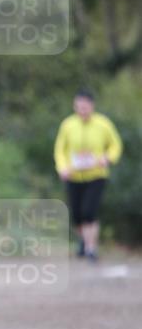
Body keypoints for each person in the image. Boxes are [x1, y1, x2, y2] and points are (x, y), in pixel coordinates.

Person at [53, 89, 123, 261]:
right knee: (77, 214)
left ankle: (91, 248)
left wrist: (108, 158)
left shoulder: (103, 124)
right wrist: (62, 168)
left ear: (92, 106)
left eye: (85, 107)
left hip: (96, 175)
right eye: (79, 107)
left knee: (89, 211)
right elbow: (59, 150)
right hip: (74, 176)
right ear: (75, 106)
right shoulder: (68, 125)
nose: (82, 110)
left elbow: (116, 145)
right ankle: (84, 242)